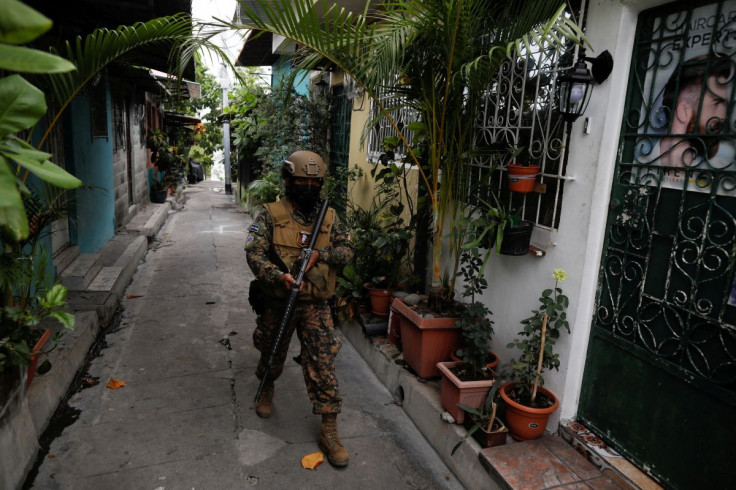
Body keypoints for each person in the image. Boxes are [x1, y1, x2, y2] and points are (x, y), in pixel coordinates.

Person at [244, 150, 355, 467]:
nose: (308, 186)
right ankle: (266, 386)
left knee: (323, 361)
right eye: (301, 180)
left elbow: (347, 249)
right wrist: (277, 275)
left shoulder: (331, 217)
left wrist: (322, 256)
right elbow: (254, 252)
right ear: (288, 180)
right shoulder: (270, 214)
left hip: (315, 304)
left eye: (314, 181)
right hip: (279, 300)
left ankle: (330, 429)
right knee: (271, 349)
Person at [658, 53, 733, 169]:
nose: (723, 116)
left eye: (724, 104)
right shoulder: (638, 163)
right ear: (684, 112)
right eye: (716, 104)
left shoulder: (723, 169)